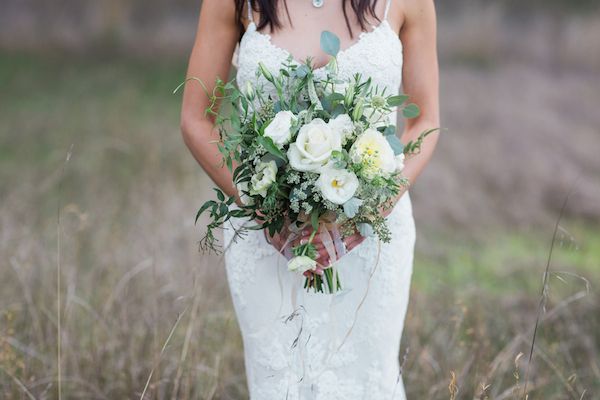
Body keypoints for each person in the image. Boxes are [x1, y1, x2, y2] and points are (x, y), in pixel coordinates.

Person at [180, 0, 439, 398]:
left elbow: (424, 122)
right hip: (267, 238)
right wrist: (263, 209)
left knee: (367, 382)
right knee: (280, 384)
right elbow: (197, 120)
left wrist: (365, 214)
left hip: (368, 237)